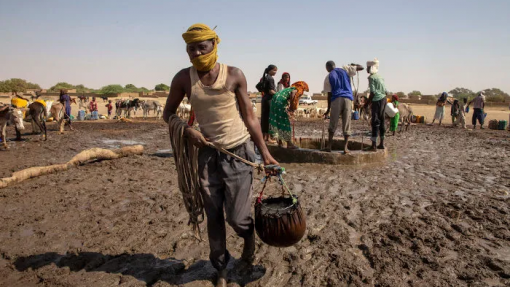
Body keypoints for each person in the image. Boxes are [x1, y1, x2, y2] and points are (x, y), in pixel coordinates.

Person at [162, 23, 278, 287]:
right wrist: (187, 130)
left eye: (202, 47)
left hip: (238, 152)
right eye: (191, 48)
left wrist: (265, 154)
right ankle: (221, 269)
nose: (197, 53)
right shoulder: (183, 78)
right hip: (206, 155)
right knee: (213, 216)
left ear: (215, 45)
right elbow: (167, 113)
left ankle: (248, 239)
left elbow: (250, 116)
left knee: (237, 218)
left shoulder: (234, 74)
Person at [323, 61, 364, 153]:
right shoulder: (345, 69)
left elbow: (329, 95)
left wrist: (328, 109)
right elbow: (361, 67)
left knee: (333, 122)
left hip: (336, 99)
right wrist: (354, 65)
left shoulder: (328, 77)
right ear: (334, 65)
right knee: (347, 122)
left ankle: (329, 146)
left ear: (327, 68)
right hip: (348, 99)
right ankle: (345, 148)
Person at [269, 81, 309, 148]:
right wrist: (291, 107)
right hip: (280, 101)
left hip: (274, 100)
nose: (303, 91)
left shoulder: (289, 88)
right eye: (304, 89)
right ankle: (289, 143)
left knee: (278, 120)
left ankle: (280, 142)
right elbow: (293, 94)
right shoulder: (297, 90)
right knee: (284, 121)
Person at [365, 58, 387, 150]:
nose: (366, 69)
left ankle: (373, 145)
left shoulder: (371, 78)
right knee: (382, 120)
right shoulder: (380, 77)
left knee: (375, 121)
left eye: (368, 67)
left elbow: (373, 92)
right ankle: (381, 143)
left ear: (370, 68)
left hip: (377, 100)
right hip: (384, 99)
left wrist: (367, 103)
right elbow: (385, 90)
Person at [260, 65, 277, 143]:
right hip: (269, 100)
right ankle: (268, 138)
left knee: (264, 118)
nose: (275, 72)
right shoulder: (270, 78)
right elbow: (271, 91)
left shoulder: (265, 77)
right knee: (269, 118)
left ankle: (264, 137)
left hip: (264, 99)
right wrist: (278, 94)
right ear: (270, 70)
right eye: (274, 70)